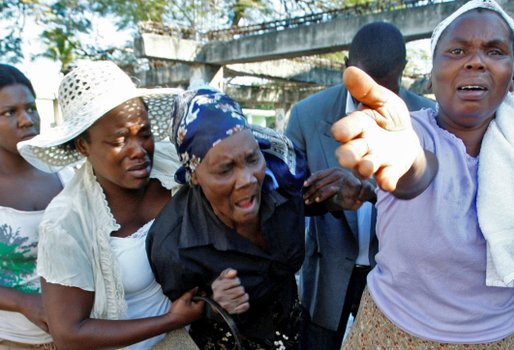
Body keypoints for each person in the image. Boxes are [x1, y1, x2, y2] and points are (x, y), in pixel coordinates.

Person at [330, 0, 514, 347]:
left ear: (512, 73)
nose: (475, 61)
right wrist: (408, 162)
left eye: (495, 51)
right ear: (431, 76)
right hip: (391, 332)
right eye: (457, 51)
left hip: (504, 337)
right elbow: (416, 170)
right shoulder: (406, 133)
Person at [148, 87, 360, 349]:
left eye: (252, 158)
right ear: (194, 176)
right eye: (225, 169)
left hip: (294, 333)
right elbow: (183, 313)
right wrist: (213, 306)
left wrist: (344, 196)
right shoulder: (174, 245)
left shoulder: (283, 184)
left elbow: (316, 201)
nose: (248, 179)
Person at [17, 61, 204, 350]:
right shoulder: (67, 222)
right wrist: (170, 319)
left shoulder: (172, 164)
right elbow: (69, 334)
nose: (139, 151)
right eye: (119, 140)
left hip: (184, 340)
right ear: (82, 146)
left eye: (144, 133)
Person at [284, 21, 436, 349]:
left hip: (397, 284)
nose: (373, 105)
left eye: (387, 90)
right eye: (362, 92)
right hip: (327, 279)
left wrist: (371, 194)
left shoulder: (430, 116)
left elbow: (436, 205)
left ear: (403, 71)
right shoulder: (306, 116)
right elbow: (286, 202)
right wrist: (332, 198)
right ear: (346, 69)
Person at [0, 64, 66, 350]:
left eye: (31, 108)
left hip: (78, 334)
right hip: (13, 339)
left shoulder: (66, 172)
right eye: (9, 112)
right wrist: (26, 303)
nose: (27, 120)